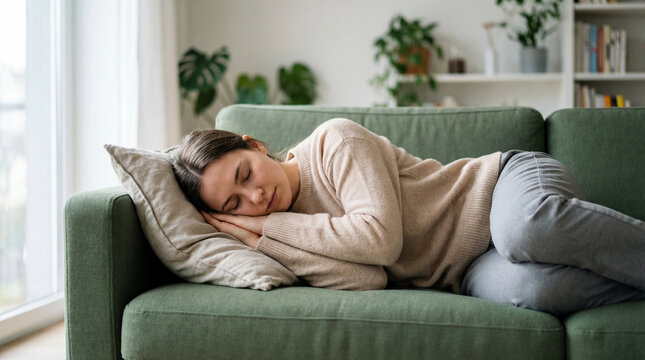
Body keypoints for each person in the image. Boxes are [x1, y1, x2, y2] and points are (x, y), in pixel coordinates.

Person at [173, 118, 645, 316]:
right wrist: (265, 240)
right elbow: (366, 280)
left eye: (245, 173)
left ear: (254, 145)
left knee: (526, 229)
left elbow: (380, 241)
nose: (255, 197)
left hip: (501, 187)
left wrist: (269, 226)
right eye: (234, 205)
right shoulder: (279, 234)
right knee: (537, 291)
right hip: (470, 271)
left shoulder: (333, 142)